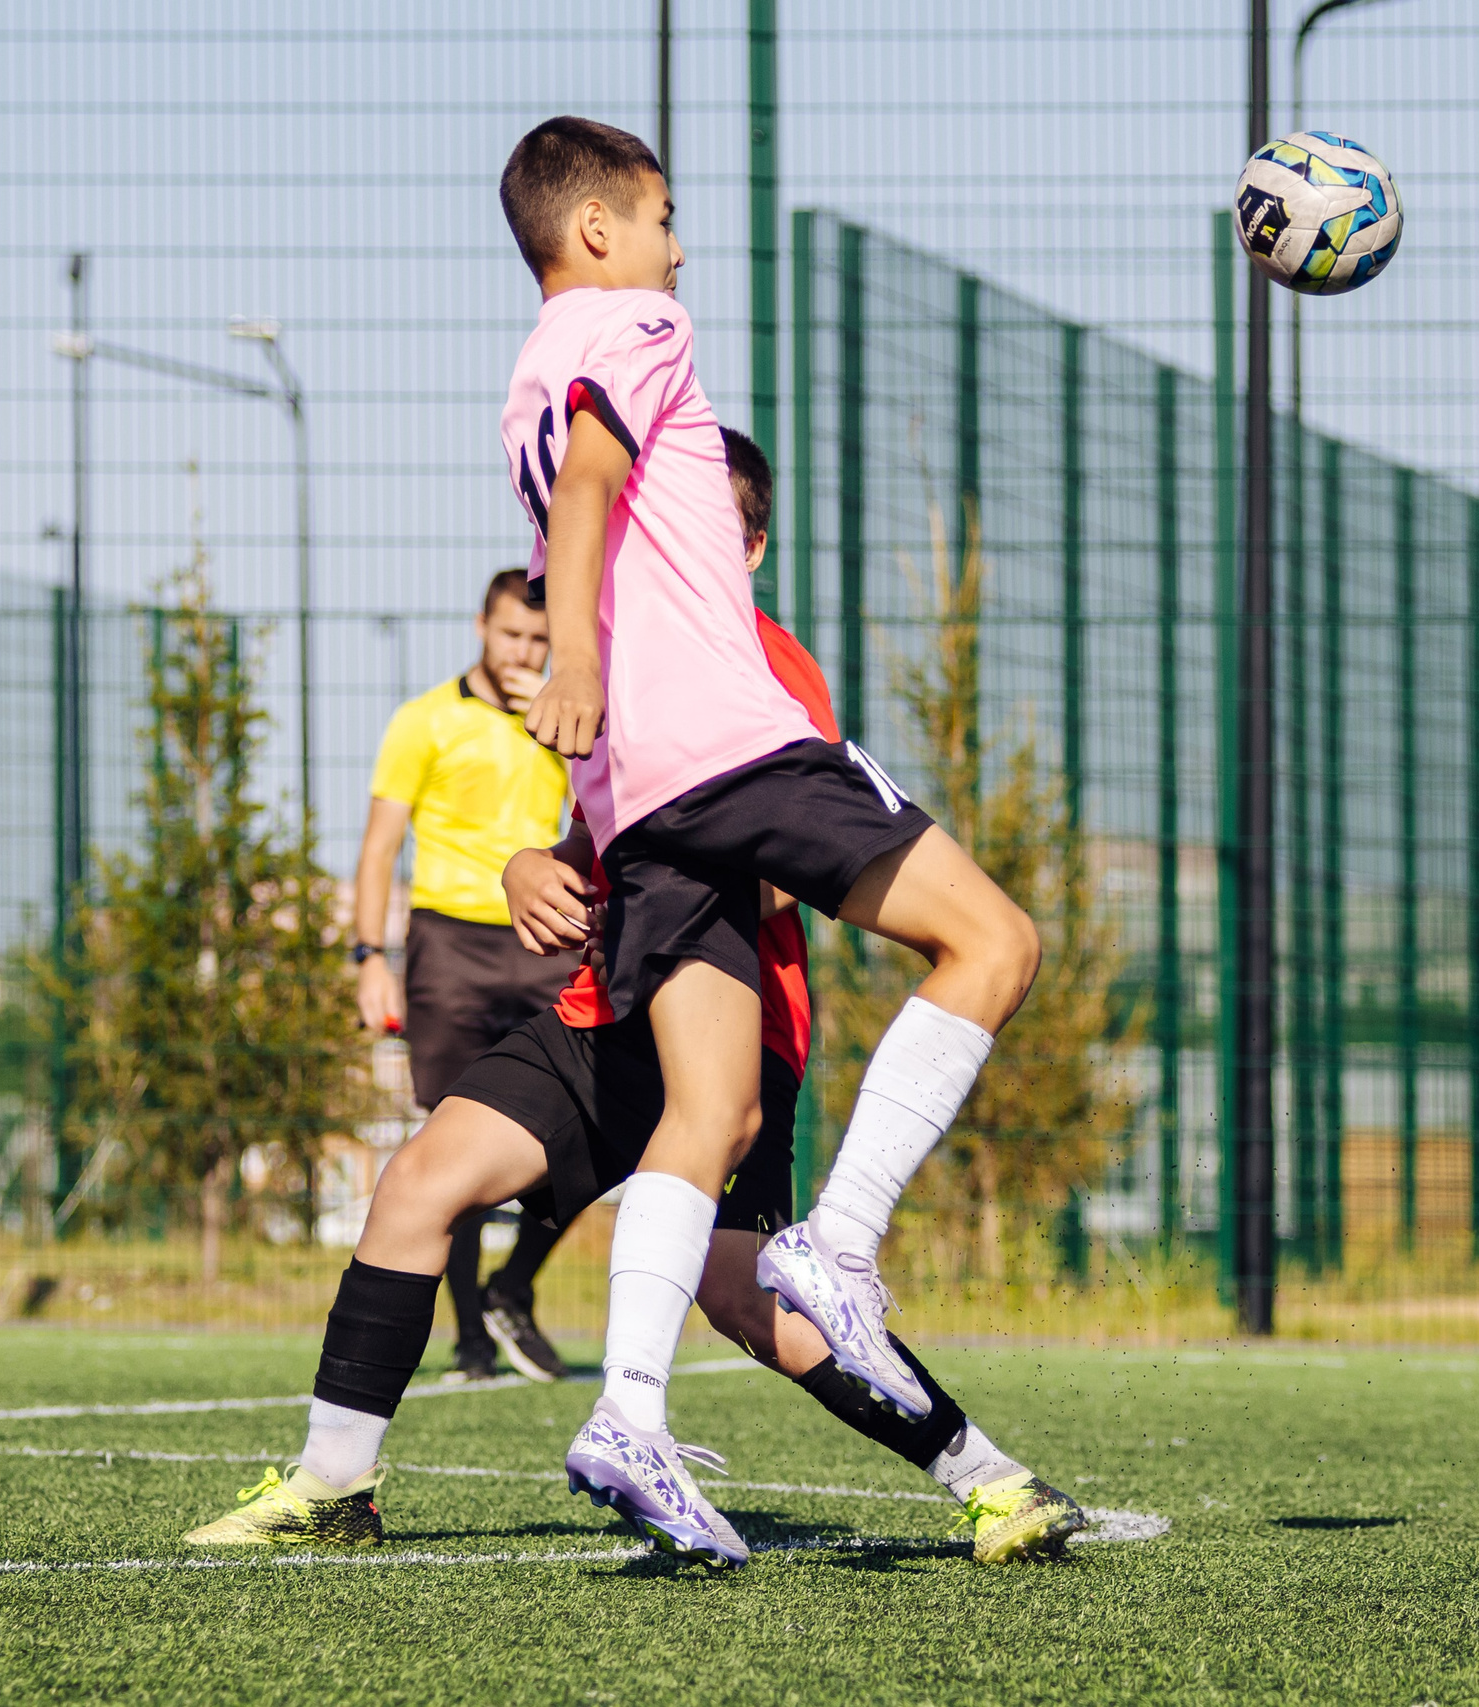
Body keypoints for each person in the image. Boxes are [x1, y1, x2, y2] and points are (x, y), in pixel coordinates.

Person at [184, 430, 1088, 1567]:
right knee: (418, 1183)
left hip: (730, 1020)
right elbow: (613, 832)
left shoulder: (763, 670)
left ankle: (988, 1480)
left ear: (745, 547)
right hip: (603, 1008)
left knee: (750, 1303)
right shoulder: (618, 656)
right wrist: (535, 866)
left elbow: (767, 852)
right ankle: (332, 1484)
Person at [495, 116, 1041, 1529]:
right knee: (993, 941)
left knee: (710, 1108)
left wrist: (583, 677)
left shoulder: (522, 384)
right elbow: (600, 488)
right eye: (664, 213)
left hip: (634, 794)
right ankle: (841, 1246)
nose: (682, 242)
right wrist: (575, 653)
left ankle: (629, 1412)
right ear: (599, 233)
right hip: (726, 744)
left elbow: (581, 495)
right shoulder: (639, 320)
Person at [353, 567, 573, 1382]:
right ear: (481, 624)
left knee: (584, 1126)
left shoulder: (567, 719)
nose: (524, 650)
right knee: (454, 1138)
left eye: (540, 640)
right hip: (448, 945)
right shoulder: (423, 720)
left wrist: (552, 720)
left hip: (548, 937)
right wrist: (369, 956)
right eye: (513, 633)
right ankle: (472, 1341)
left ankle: (513, 1288)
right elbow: (379, 847)